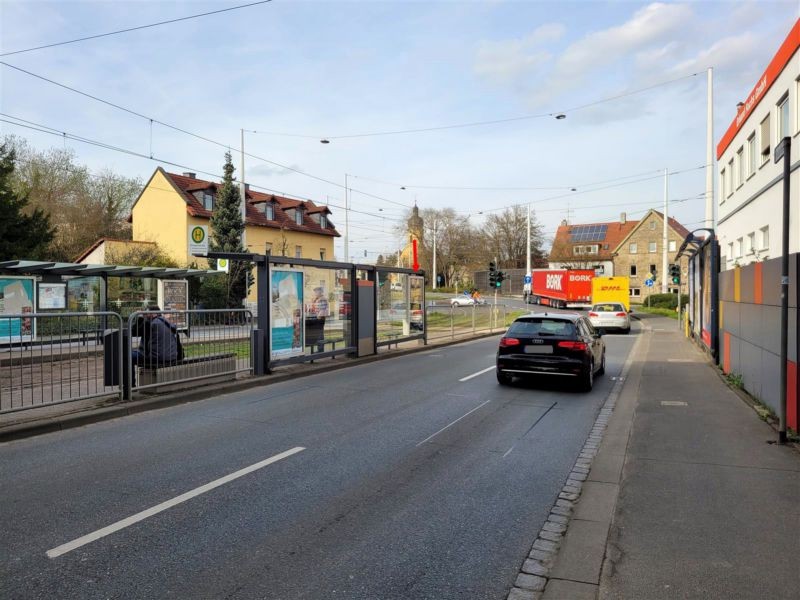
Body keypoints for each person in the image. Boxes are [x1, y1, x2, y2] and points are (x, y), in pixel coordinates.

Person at [131, 306, 180, 383]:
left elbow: (133, 332)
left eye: (146, 313)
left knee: (127, 356)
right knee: (134, 353)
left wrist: (140, 318)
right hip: (171, 356)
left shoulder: (151, 324)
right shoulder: (166, 322)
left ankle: (130, 386)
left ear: (153, 314)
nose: (145, 315)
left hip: (156, 358)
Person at [311, 287, 329, 351]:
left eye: (316, 292)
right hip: (318, 318)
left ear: (320, 292)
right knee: (319, 333)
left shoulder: (322, 299)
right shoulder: (318, 299)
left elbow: (322, 309)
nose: (315, 293)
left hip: (320, 318)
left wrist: (318, 316)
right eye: (315, 292)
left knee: (320, 333)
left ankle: (320, 349)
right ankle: (320, 348)